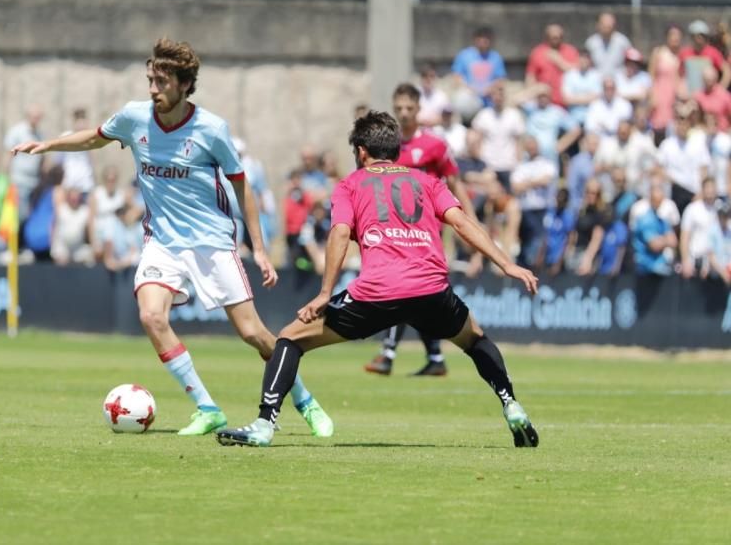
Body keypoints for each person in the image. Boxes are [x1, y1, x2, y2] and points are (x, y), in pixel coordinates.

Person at [11, 38, 333, 437]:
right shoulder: (134, 117)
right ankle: (207, 407)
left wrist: (261, 251)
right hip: (161, 241)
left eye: (161, 82)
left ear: (184, 85)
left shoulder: (211, 129)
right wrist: (48, 146)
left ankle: (304, 400)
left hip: (212, 242)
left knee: (253, 333)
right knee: (150, 315)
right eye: (150, 80)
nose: (152, 89)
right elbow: (96, 136)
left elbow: (242, 187)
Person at [215, 110, 540, 448]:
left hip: (377, 293)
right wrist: (507, 264)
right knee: (476, 340)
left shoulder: (350, 184)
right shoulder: (427, 182)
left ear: (361, 152)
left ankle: (265, 423)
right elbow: (461, 223)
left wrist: (325, 292)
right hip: (431, 291)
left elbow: (340, 234)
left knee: (290, 338)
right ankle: (511, 404)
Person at [364, 83, 479, 378]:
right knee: (416, 292)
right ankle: (434, 356)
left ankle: (390, 355)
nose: (403, 113)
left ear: (418, 109)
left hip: (426, 232)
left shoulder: (434, 146)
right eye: (399, 108)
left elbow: (455, 184)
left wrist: (471, 223)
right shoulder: (386, 149)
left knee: (406, 288)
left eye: (409, 108)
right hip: (392, 230)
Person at [510, 135, 557, 269]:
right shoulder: (522, 166)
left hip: (543, 208)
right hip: (526, 209)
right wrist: (534, 182)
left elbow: (546, 180)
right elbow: (515, 187)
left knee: (540, 240)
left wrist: (526, 183)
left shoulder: (546, 164)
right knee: (526, 241)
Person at [3, 104, 45, 221]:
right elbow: (9, 155)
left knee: (30, 216)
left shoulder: (40, 134)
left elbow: (42, 159)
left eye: (39, 117)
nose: (36, 120)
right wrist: (6, 178)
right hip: (19, 181)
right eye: (34, 117)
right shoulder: (17, 132)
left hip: (34, 182)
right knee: (20, 216)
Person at [451, 25, 506, 109]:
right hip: (469, 100)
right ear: (475, 39)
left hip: (489, 102)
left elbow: (500, 80)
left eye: (486, 39)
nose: (483, 41)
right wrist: (471, 90)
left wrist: (488, 90)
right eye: (480, 38)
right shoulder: (464, 55)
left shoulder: (496, 57)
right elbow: (457, 77)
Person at [526, 23, 579, 108]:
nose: (556, 40)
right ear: (547, 38)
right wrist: (534, 94)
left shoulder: (571, 51)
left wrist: (560, 62)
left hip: (567, 104)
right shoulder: (537, 52)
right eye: (553, 38)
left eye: (559, 37)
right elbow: (530, 78)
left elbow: (578, 73)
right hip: (544, 104)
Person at [680, 177, 721, 279]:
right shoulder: (692, 209)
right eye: (707, 187)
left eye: (712, 188)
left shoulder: (722, 208)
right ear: (702, 189)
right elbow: (685, 236)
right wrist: (685, 260)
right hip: (696, 261)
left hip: (718, 264)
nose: (710, 191)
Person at [648, 26, 684, 138]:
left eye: (678, 35)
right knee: (658, 127)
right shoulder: (658, 52)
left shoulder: (682, 55)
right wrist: (652, 95)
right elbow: (651, 75)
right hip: (660, 94)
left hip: (675, 96)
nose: (675, 38)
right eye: (672, 35)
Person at [680, 20, 731, 95]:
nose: (699, 38)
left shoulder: (713, 52)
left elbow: (727, 71)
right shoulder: (685, 53)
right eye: (696, 35)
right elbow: (678, 74)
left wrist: (720, 89)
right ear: (692, 37)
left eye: (701, 35)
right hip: (689, 95)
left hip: (708, 97)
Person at [585, 12, 631, 79]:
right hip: (596, 82)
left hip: (618, 81)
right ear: (598, 25)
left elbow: (630, 63)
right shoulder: (591, 43)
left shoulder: (623, 42)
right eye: (604, 25)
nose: (607, 27)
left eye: (609, 25)